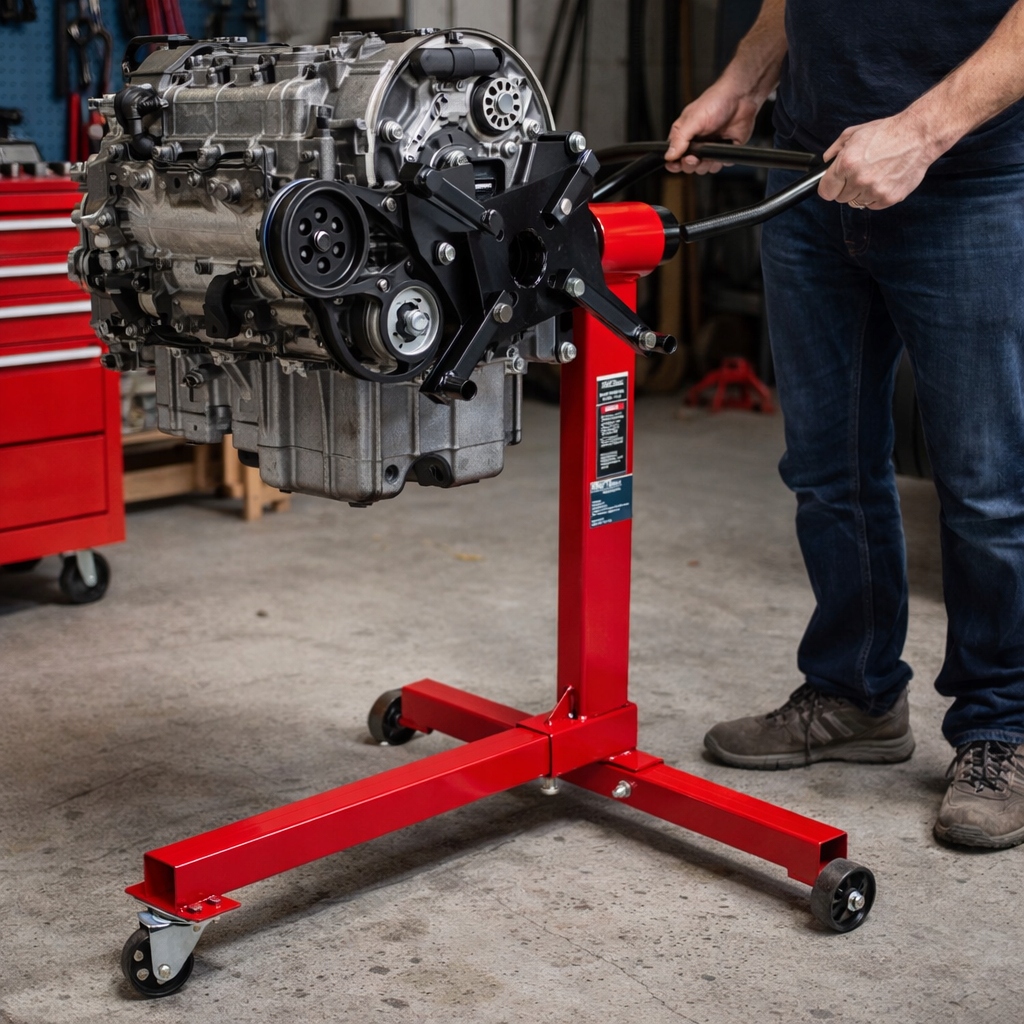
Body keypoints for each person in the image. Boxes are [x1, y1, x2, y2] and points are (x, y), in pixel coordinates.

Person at [665, 0, 1024, 849]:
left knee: (987, 491)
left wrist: (922, 132)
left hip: (973, 181)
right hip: (811, 173)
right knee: (827, 469)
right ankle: (854, 694)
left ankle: (1003, 728)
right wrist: (747, 78)